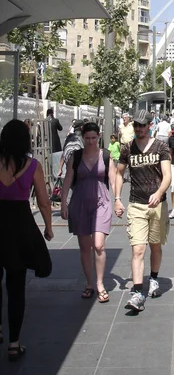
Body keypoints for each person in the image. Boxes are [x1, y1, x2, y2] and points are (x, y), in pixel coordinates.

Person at [0, 120, 53, 361]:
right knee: (16, 285)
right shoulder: (33, 165)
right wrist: (49, 227)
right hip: (20, 227)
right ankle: (14, 343)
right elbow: (43, 201)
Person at [114, 110, 171, 312]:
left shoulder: (161, 147)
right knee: (138, 249)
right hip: (136, 204)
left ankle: (154, 278)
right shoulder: (127, 148)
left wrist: (159, 192)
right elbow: (119, 173)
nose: (138, 128)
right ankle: (138, 293)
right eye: (136, 125)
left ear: (150, 126)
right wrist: (118, 199)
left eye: (142, 125)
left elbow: (167, 176)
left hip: (157, 206)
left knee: (155, 245)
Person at [61, 123, 116, 303]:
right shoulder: (76, 156)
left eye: (93, 138)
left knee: (99, 245)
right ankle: (90, 283)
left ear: (98, 137)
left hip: (102, 202)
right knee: (85, 247)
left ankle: (100, 284)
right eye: (87, 138)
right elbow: (68, 178)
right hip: (80, 203)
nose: (91, 141)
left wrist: (117, 200)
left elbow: (113, 179)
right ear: (83, 138)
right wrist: (63, 203)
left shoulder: (106, 156)